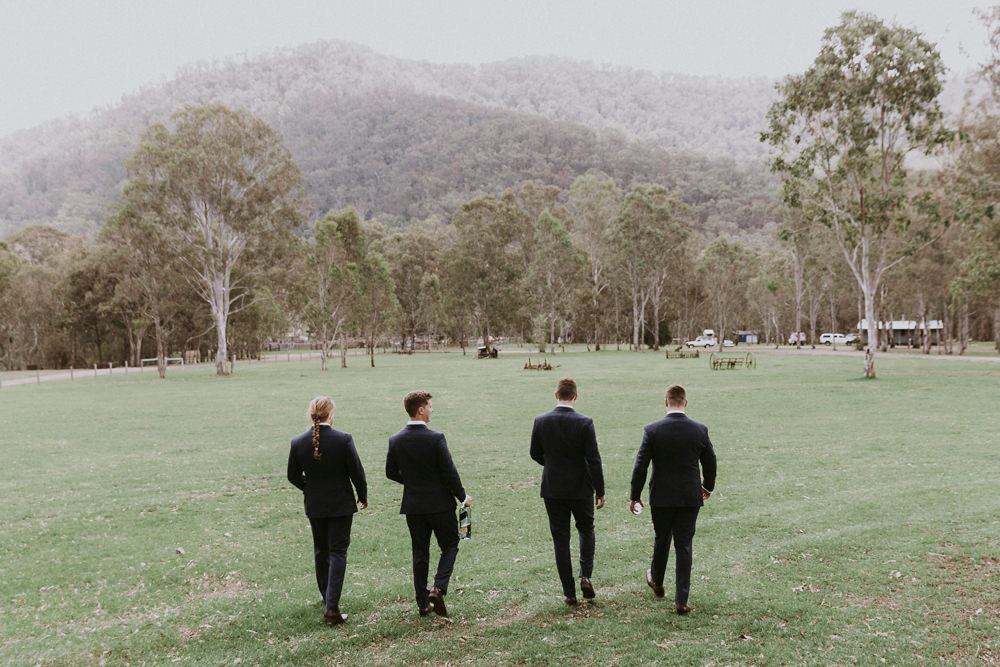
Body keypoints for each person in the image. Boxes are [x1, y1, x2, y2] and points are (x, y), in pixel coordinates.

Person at [629, 384, 717, 615]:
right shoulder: (699, 430)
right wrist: (707, 486)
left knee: (662, 538)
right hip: (689, 495)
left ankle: (657, 581)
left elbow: (641, 466)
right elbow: (710, 462)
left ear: (666, 402)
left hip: (661, 495)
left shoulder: (652, 430)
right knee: (684, 545)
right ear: (685, 402)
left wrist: (635, 496)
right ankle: (681, 600)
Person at [386, 390, 471, 617]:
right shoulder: (436, 438)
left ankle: (423, 604)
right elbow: (449, 472)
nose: (432, 410)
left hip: (413, 506)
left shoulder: (395, 439)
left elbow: (390, 472)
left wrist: (413, 481)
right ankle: (438, 588)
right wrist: (462, 497)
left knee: (420, 552)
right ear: (421, 410)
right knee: (450, 544)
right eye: (430, 407)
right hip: (440, 504)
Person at [287, 396, 368, 625]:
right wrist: (362, 495)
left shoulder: (298, 442)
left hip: (315, 505)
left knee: (321, 551)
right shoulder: (343, 439)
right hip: (340, 504)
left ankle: (327, 596)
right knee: (338, 552)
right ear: (331, 415)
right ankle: (332, 608)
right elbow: (356, 471)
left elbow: (292, 476)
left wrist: (310, 488)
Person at [530, 377, 605, 606]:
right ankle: (586, 575)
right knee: (586, 529)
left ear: (556, 395)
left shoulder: (541, 421)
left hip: (553, 488)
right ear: (575, 396)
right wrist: (600, 490)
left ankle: (569, 592)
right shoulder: (585, 423)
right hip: (581, 487)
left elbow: (534, 453)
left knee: (561, 539)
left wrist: (552, 465)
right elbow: (594, 459)